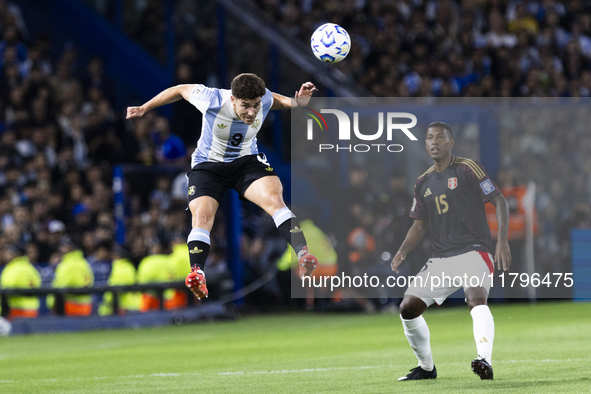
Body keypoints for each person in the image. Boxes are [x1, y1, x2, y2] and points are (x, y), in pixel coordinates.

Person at [127, 73, 320, 300]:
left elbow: (274, 99)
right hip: (209, 165)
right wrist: (144, 108)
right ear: (232, 100)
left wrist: (297, 103)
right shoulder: (211, 98)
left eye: (255, 106)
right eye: (245, 106)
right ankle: (197, 273)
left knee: (275, 200)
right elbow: (179, 89)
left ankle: (304, 255)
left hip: (246, 162)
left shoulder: (263, 99)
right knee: (202, 216)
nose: (251, 112)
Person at [391, 122, 511, 381]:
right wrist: (402, 251)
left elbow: (499, 200)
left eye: (440, 137)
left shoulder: (468, 168)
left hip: (474, 251)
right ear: (425, 144)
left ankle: (484, 360)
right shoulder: (422, 182)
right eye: (429, 138)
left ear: (451, 142)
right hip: (441, 258)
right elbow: (419, 225)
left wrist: (502, 240)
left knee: (475, 298)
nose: (434, 142)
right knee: (407, 308)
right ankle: (426, 368)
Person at [47, 237, 94, 316]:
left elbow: (59, 286)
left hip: (70, 308)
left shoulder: (67, 265)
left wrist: (51, 304)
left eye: (63, 246)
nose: (61, 249)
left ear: (69, 248)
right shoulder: (84, 263)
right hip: (86, 307)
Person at [0, 245, 42, 319]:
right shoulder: (30, 267)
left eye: (8, 253)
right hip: (33, 309)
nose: (5, 255)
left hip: (18, 310)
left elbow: (6, 288)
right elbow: (38, 284)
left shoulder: (13, 268)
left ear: (15, 254)